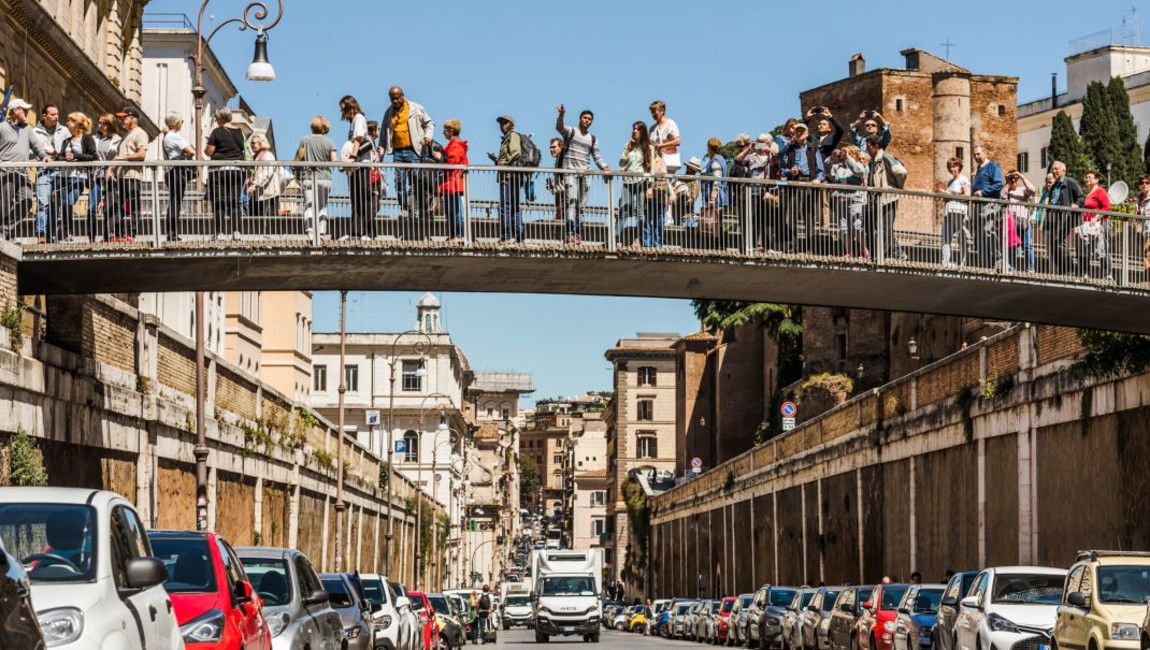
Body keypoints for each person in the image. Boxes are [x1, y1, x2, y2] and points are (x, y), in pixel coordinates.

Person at [555, 105, 611, 244]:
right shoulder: (572, 131)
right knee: (571, 202)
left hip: (585, 175)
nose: (587, 121)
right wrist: (561, 115)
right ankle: (569, 234)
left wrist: (605, 167)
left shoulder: (592, 138)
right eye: (585, 118)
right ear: (580, 119)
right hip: (570, 173)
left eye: (590, 119)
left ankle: (578, 235)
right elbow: (559, 128)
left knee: (582, 206)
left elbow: (597, 157)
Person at [381, 86, 435, 220]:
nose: (395, 101)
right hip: (398, 152)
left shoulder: (416, 108)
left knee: (417, 181)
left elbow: (430, 124)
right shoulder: (388, 113)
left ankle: (422, 208)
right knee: (399, 182)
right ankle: (404, 208)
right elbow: (383, 134)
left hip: (414, 150)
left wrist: (428, 136)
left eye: (397, 97)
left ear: (403, 95)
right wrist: (380, 154)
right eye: (392, 98)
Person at [0, 98, 48, 239]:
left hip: (22, 173)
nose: (27, 112)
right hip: (5, 173)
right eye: (24, 109)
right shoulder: (2, 127)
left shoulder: (27, 129)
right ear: (14, 111)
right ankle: (3, 233)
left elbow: (37, 146)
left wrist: (44, 155)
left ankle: (6, 229)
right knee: (4, 205)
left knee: (27, 201)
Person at [55, 112, 98, 242]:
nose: (67, 123)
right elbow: (59, 156)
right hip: (63, 176)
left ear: (78, 124)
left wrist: (76, 156)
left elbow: (94, 156)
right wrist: (64, 158)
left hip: (79, 177)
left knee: (68, 201)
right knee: (64, 204)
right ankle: (66, 234)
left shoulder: (86, 138)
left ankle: (67, 233)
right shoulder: (67, 140)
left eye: (70, 121)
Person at [203, 107, 245, 240]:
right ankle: (236, 232)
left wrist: (208, 144)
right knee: (234, 201)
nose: (215, 121)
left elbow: (209, 152)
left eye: (216, 118)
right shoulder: (239, 132)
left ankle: (219, 232)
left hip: (220, 171)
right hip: (237, 170)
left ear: (220, 118)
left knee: (219, 201)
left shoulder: (217, 132)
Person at [108, 106, 148, 242]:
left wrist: (122, 158)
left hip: (132, 175)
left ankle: (130, 234)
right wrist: (111, 169)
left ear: (132, 118)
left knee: (133, 205)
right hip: (121, 176)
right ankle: (119, 234)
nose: (121, 120)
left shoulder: (140, 133)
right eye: (120, 118)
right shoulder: (125, 135)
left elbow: (141, 154)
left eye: (124, 117)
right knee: (119, 205)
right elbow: (119, 156)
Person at [864, 134, 905, 261]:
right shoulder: (874, 160)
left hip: (888, 198)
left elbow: (901, 172)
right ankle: (898, 253)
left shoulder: (885, 157)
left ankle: (884, 256)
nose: (867, 149)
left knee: (885, 228)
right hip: (877, 200)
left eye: (869, 147)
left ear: (876, 146)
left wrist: (895, 186)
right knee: (881, 227)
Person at [340, 95, 375, 240]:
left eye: (343, 109)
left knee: (360, 199)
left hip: (360, 164)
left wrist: (353, 157)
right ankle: (356, 232)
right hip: (358, 165)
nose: (342, 113)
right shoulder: (354, 120)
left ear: (350, 107)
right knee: (356, 198)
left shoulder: (359, 118)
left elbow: (359, 138)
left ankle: (363, 232)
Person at [297, 116, 337, 240]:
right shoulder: (330, 142)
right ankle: (321, 233)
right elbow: (334, 161)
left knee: (309, 205)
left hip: (309, 177)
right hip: (325, 178)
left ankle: (310, 233)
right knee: (322, 206)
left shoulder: (305, 140)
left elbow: (299, 157)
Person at [619, 121, 658, 246]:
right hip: (628, 181)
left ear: (642, 132)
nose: (634, 131)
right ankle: (615, 238)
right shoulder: (628, 145)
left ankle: (639, 239)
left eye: (637, 129)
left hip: (642, 182)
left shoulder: (649, 147)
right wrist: (627, 150)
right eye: (633, 129)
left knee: (640, 212)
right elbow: (621, 164)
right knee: (624, 209)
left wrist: (651, 187)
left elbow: (651, 169)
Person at [33, 103, 68, 243]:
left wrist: (55, 152)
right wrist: (41, 152)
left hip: (60, 172)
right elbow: (30, 151)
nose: (56, 117)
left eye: (57, 114)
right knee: (43, 203)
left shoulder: (64, 131)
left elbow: (70, 149)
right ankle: (41, 234)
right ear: (44, 116)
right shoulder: (35, 132)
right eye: (52, 114)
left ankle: (51, 234)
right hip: (43, 172)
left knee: (55, 204)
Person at [739, 134, 779, 253]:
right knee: (752, 218)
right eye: (759, 142)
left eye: (765, 142)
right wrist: (748, 148)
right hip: (752, 191)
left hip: (767, 192)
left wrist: (770, 152)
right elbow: (738, 160)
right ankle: (752, 245)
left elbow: (777, 167)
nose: (762, 144)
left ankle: (768, 246)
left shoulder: (773, 156)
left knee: (767, 220)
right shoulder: (751, 156)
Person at [161, 113, 196, 239]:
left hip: (170, 171)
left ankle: (172, 232)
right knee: (176, 202)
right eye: (181, 121)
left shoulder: (166, 137)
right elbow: (191, 151)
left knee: (174, 201)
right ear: (176, 122)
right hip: (177, 171)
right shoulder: (174, 136)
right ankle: (173, 233)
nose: (182, 123)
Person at [827, 145, 867, 258]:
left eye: (846, 152)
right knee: (844, 228)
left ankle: (864, 250)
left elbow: (859, 172)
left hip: (855, 199)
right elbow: (830, 175)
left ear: (853, 154)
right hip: (841, 200)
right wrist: (833, 157)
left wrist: (849, 159)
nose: (843, 155)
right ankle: (849, 251)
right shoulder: (837, 167)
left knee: (857, 226)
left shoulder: (858, 165)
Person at [490, 115, 524, 243]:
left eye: (504, 123)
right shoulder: (506, 138)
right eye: (501, 123)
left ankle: (507, 236)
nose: (502, 125)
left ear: (511, 124)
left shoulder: (513, 135)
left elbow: (515, 153)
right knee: (512, 206)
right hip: (508, 175)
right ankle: (518, 237)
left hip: (509, 176)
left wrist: (501, 164)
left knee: (506, 207)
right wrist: (497, 160)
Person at [1046, 161, 1084, 275]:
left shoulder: (1070, 182)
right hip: (1054, 218)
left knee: (1058, 242)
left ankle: (1069, 269)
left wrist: (1076, 205)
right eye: (1052, 169)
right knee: (1053, 244)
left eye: (1056, 169)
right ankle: (1063, 270)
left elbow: (1082, 198)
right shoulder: (1054, 185)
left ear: (1064, 170)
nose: (1053, 171)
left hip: (1064, 217)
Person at [970, 146, 1005, 268]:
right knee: (979, 234)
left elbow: (1000, 184)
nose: (976, 157)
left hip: (989, 204)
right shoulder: (979, 170)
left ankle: (998, 258)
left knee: (988, 230)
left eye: (978, 154)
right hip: (978, 206)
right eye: (974, 155)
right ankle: (983, 262)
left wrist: (983, 192)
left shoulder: (992, 166)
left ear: (985, 153)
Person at [649, 99, 681, 226]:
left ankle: (668, 219)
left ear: (661, 111)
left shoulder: (670, 124)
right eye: (651, 112)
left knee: (667, 188)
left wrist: (661, 146)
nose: (652, 114)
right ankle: (658, 218)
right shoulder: (652, 128)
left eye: (654, 111)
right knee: (658, 189)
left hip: (668, 161)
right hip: (657, 163)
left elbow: (678, 141)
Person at [436, 118, 468, 242]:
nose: (444, 133)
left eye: (445, 130)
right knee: (453, 210)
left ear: (451, 130)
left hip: (452, 182)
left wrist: (441, 157)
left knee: (453, 210)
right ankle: (454, 235)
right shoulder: (455, 145)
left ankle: (456, 235)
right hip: (452, 182)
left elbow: (452, 162)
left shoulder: (455, 145)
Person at [90, 114, 120, 240]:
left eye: (103, 123)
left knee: (110, 205)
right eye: (99, 122)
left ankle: (109, 235)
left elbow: (115, 155)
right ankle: (91, 237)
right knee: (92, 206)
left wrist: (109, 169)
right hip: (96, 175)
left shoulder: (117, 139)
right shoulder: (94, 138)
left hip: (109, 175)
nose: (100, 125)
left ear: (109, 125)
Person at [938, 157, 971, 267]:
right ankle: (945, 262)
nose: (952, 169)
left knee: (961, 238)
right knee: (945, 237)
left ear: (959, 167)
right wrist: (945, 195)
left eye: (954, 166)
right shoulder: (950, 181)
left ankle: (963, 263)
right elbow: (948, 198)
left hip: (959, 212)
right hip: (949, 212)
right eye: (950, 167)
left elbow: (967, 195)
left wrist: (952, 194)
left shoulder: (963, 179)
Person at [1001, 170, 1036, 272]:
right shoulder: (1006, 190)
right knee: (1012, 245)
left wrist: (1020, 175)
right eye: (1011, 178)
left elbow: (1032, 190)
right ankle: (1013, 267)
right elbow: (1002, 196)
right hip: (1011, 222)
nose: (1013, 180)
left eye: (1015, 179)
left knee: (1027, 245)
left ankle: (1030, 269)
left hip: (1024, 220)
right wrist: (1007, 184)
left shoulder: (1022, 190)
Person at [1080, 169, 1111, 279]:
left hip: (1100, 225)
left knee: (1101, 249)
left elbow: (1107, 207)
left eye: (1090, 177)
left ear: (1096, 179)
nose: (1087, 179)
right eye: (1086, 177)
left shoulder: (1100, 191)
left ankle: (1108, 275)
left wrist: (1097, 217)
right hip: (1089, 226)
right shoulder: (1089, 193)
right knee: (1087, 250)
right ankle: (1086, 275)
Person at [699, 137, 728, 247]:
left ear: (711, 149)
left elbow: (717, 178)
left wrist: (712, 197)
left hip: (717, 198)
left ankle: (717, 247)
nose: (707, 151)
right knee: (717, 222)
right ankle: (719, 246)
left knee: (715, 222)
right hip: (720, 197)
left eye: (708, 149)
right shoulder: (720, 159)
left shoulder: (715, 160)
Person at [246, 132, 282, 220]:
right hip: (260, 193)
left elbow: (267, 172)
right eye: (252, 143)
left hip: (269, 193)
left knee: (269, 219)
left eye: (256, 143)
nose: (253, 145)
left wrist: (255, 184)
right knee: (256, 218)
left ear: (262, 143)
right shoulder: (257, 157)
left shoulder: (267, 155)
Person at [671, 157, 702, 224]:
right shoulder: (679, 179)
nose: (691, 170)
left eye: (693, 169)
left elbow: (693, 199)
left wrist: (683, 198)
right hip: (676, 214)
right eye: (690, 168)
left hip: (687, 215)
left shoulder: (695, 183)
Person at [545, 137, 567, 223]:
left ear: (561, 146)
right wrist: (552, 184)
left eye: (554, 147)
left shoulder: (564, 158)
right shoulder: (557, 161)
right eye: (550, 147)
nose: (551, 149)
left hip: (565, 198)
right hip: (559, 199)